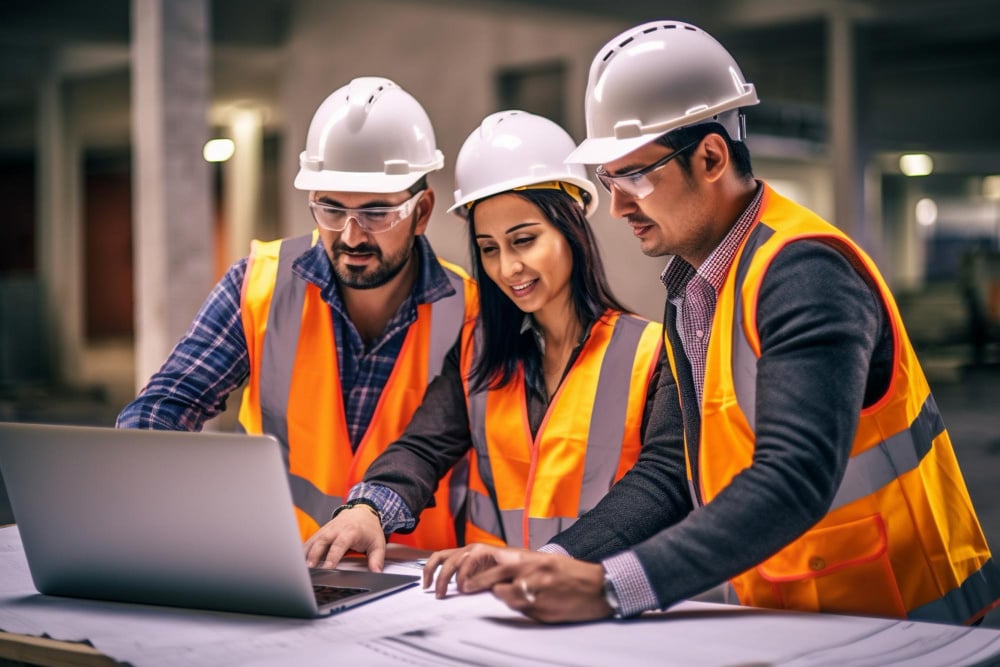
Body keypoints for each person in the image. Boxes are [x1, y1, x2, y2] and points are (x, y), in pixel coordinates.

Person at [424, 20, 1000, 626]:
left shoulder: (804, 272)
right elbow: (674, 471)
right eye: (609, 181)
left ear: (711, 156)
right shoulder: (694, 292)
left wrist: (612, 588)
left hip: (901, 625)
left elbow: (794, 476)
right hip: (792, 622)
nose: (617, 206)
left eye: (634, 176)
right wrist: (554, 561)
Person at [117, 77, 478, 549]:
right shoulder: (259, 285)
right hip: (269, 560)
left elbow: (436, 449)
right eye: (330, 208)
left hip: (409, 580)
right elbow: (170, 401)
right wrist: (138, 473)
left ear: (422, 211)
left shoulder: (472, 313)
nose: (351, 236)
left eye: (376, 212)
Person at [302, 110, 664, 572]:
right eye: (489, 248)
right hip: (494, 608)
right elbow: (423, 447)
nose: (506, 268)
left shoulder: (649, 355)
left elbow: (658, 488)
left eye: (524, 240)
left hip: (597, 607)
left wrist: (551, 561)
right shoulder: (479, 351)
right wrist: (368, 509)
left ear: (572, 228)